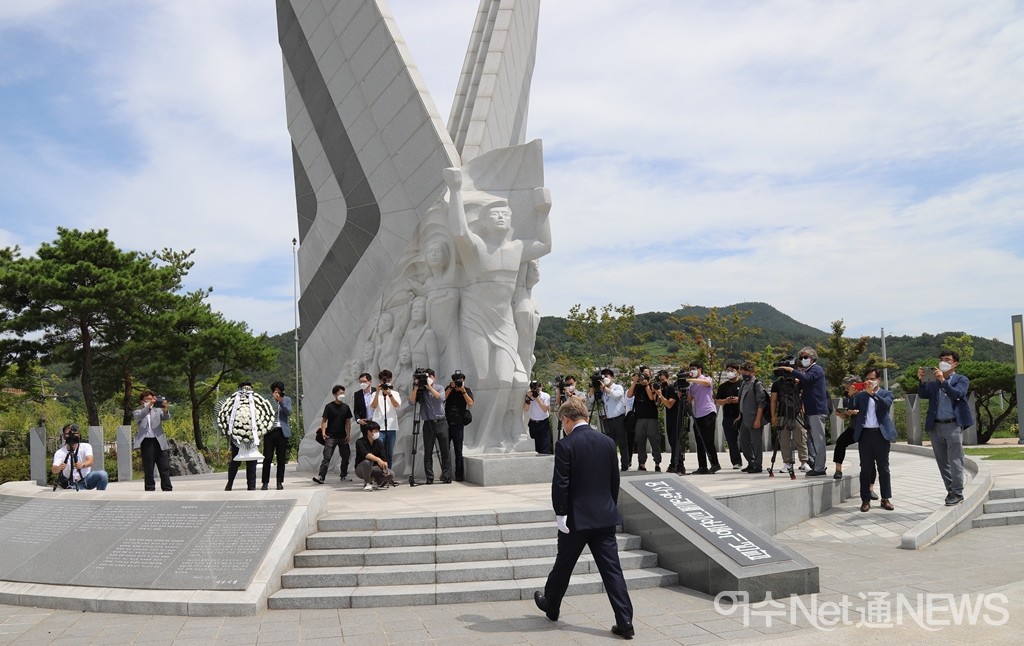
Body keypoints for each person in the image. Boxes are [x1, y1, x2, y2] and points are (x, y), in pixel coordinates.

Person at [532, 397, 634, 639]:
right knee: (612, 571)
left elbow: (561, 484)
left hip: (575, 520)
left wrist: (560, 514)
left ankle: (552, 605)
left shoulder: (566, 445)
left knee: (563, 565)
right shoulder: (608, 442)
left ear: (566, 419)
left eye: (563, 422)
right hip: (604, 517)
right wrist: (608, 507)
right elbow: (613, 482)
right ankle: (626, 621)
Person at [918, 350, 973, 506]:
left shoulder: (961, 379)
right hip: (936, 426)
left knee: (956, 460)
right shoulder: (934, 382)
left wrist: (943, 381)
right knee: (942, 462)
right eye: (941, 359)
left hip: (953, 425)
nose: (943, 362)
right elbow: (923, 394)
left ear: (955, 364)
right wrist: (921, 381)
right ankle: (951, 491)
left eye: (947, 360)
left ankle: (958, 492)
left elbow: (957, 394)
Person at [851, 368, 898, 512]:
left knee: (883, 468)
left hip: (881, 435)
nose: (869, 381)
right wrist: (851, 395)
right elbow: (851, 407)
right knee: (865, 469)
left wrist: (873, 394)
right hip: (865, 434)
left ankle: (885, 498)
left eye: (872, 378)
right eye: (867, 378)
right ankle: (865, 500)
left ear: (878, 380)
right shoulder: (861, 396)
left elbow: (886, 404)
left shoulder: (886, 393)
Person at [778, 347, 829, 476]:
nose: (803, 360)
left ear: (813, 358)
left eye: (805, 357)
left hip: (817, 410)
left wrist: (792, 371)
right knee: (814, 439)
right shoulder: (807, 371)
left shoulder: (816, 369)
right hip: (811, 410)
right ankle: (817, 465)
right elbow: (804, 382)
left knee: (819, 440)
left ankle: (820, 467)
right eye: (801, 358)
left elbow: (807, 379)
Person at [833, 375, 878, 499]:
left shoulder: (867, 393)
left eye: (847, 385)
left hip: (866, 429)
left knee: (869, 459)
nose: (846, 388)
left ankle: (870, 488)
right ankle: (838, 469)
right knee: (841, 442)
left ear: (854, 384)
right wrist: (841, 414)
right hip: (853, 428)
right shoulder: (848, 396)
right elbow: (846, 416)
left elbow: (869, 410)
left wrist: (858, 412)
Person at [411, 368, 451, 483]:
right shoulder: (420, 390)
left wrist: (429, 387)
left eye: (429, 377)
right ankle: (429, 478)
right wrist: (416, 387)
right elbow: (412, 401)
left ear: (434, 377)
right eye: (425, 377)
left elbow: (441, 398)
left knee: (445, 451)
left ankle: (446, 476)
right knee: (427, 452)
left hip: (441, 422)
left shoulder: (439, 387)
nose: (427, 379)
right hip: (428, 423)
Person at [589, 368, 629, 471]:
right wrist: (594, 388)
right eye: (603, 377)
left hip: (618, 419)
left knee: (622, 443)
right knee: (611, 444)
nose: (605, 378)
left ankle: (625, 464)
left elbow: (617, 396)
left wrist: (605, 388)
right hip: (607, 420)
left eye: (607, 376)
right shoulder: (602, 391)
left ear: (612, 377)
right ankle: (613, 465)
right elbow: (591, 399)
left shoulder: (618, 387)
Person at [312, 385, 353, 484]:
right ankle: (321, 476)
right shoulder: (329, 406)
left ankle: (344, 475)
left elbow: (348, 421)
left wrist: (348, 434)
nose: (342, 395)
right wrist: (323, 432)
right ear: (335, 395)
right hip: (331, 436)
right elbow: (324, 420)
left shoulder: (346, 407)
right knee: (326, 457)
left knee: (346, 456)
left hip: (342, 436)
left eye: (343, 393)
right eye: (340, 393)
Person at [132, 390, 172, 491]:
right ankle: (150, 488)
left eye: (152, 399)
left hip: (159, 441)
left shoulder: (157, 411)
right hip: (146, 442)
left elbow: (166, 417)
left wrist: (165, 408)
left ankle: (167, 488)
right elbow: (138, 418)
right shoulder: (138, 411)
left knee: (164, 467)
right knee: (149, 468)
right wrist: (148, 406)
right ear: (142, 401)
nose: (151, 401)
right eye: (148, 399)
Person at [686, 361, 721, 474]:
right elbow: (689, 399)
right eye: (690, 368)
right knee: (699, 441)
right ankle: (702, 466)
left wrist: (691, 380)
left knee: (708, 439)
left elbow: (706, 383)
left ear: (700, 369)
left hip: (708, 412)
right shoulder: (692, 385)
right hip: (697, 414)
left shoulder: (706, 378)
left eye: (694, 368)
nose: (692, 370)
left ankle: (715, 464)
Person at [52, 424, 108, 490]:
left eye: (73, 433)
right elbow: (54, 469)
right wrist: (59, 468)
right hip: (70, 482)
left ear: (79, 434)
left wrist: (82, 464)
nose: (71, 436)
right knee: (72, 489)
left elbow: (90, 461)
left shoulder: (86, 446)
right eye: (68, 434)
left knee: (102, 475)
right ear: (64, 436)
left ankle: (99, 496)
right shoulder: (60, 452)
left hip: (86, 478)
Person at [627, 366, 661, 472]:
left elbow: (651, 398)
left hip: (651, 417)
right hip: (639, 417)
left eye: (647, 374)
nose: (645, 376)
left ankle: (657, 462)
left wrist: (646, 385)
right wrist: (635, 382)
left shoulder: (653, 385)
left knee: (654, 440)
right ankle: (641, 463)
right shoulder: (637, 387)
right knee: (640, 441)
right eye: (643, 374)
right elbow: (629, 395)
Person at [261, 380, 292, 490]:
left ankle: (279, 481)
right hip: (270, 431)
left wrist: (281, 401)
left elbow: (288, 412)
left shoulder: (287, 399)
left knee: (281, 458)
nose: (277, 393)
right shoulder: (268, 401)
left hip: (282, 431)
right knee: (268, 458)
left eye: (278, 391)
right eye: (275, 391)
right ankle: (265, 482)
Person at [736, 361, 766, 474]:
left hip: (754, 418)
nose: (744, 373)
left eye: (746, 371)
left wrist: (758, 419)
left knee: (756, 442)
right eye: (743, 371)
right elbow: (742, 400)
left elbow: (761, 403)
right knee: (743, 442)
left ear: (752, 372)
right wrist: (740, 415)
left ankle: (757, 464)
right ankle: (751, 462)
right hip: (744, 418)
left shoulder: (757, 384)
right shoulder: (744, 384)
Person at [444, 370, 474, 481]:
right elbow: (443, 398)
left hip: (458, 423)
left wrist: (463, 391)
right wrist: (451, 388)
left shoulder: (466, 390)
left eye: (460, 380)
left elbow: (470, 403)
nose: (458, 382)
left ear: (463, 381)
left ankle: (459, 474)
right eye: (456, 380)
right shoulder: (449, 389)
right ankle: (446, 474)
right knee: (445, 450)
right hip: (447, 422)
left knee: (458, 450)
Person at [714, 361, 743, 469]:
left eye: (732, 370)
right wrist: (726, 400)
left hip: (741, 415)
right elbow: (717, 401)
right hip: (728, 416)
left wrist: (738, 400)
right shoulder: (723, 387)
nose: (730, 373)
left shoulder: (742, 384)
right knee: (731, 441)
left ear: (738, 371)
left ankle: (752, 460)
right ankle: (736, 462)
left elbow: (748, 399)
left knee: (746, 440)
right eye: (728, 371)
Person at [370, 369, 401, 468]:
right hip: (378, 427)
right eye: (383, 380)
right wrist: (378, 391)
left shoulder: (395, 393)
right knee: (378, 452)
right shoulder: (375, 394)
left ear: (390, 380)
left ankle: (388, 474)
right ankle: (378, 474)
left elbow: (397, 405)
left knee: (389, 453)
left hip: (391, 427)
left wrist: (389, 394)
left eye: (387, 380)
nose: (385, 382)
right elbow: (373, 406)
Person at [656, 370, 685, 474]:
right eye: (659, 380)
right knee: (673, 442)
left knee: (675, 441)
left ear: (667, 378)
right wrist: (657, 392)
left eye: (663, 379)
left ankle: (675, 464)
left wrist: (660, 395)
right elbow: (657, 403)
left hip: (676, 417)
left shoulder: (672, 388)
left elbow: (669, 404)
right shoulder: (664, 389)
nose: (661, 382)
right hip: (670, 417)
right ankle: (679, 464)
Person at [354, 421, 390, 491]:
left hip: (373, 468)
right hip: (361, 468)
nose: (377, 433)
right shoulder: (360, 442)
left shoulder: (379, 442)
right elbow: (365, 454)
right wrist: (378, 460)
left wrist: (385, 464)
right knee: (367, 462)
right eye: (375, 431)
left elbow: (383, 457)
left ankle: (374, 480)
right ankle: (368, 483)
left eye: (378, 431)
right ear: (369, 432)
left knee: (391, 474)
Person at [524, 380, 552, 455]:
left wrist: (537, 398)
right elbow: (526, 409)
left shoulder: (545, 396)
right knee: (535, 447)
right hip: (533, 423)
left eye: (537, 389)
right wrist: (528, 399)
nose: (536, 391)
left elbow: (545, 409)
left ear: (541, 387)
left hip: (543, 423)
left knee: (544, 447)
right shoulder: (529, 396)